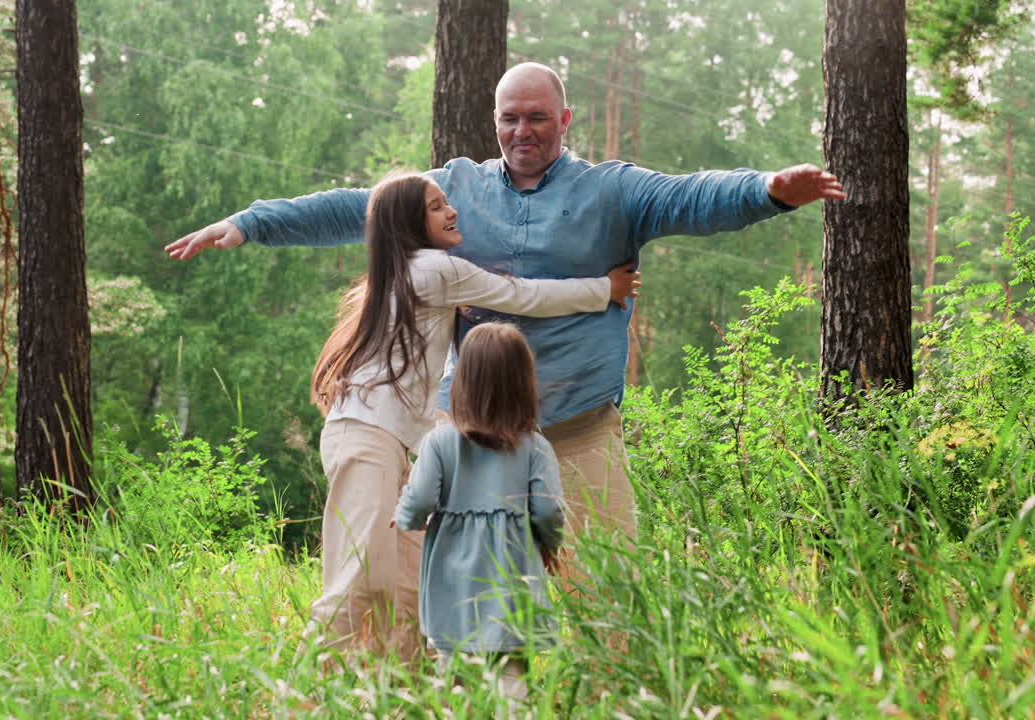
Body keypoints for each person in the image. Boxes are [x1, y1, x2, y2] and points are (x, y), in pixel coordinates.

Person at [166, 62, 844, 556]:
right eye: (509, 118)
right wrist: (252, 222)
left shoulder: (614, 191)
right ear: (495, 121)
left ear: (565, 120)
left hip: (577, 428)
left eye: (537, 117)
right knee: (453, 581)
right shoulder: (454, 188)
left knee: (603, 582)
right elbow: (357, 207)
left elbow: (691, 197)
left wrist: (768, 190)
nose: (523, 131)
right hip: (469, 433)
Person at [302, 171, 638, 661]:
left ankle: (401, 694)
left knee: (406, 579)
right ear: (411, 223)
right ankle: (302, 694)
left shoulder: (409, 272)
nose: (451, 211)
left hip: (383, 440)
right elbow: (523, 295)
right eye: (436, 207)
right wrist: (603, 290)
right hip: (368, 436)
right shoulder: (438, 270)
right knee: (361, 579)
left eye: (446, 202)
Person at [393, 321, 563, 702]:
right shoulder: (535, 448)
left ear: (462, 381)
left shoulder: (439, 442)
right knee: (510, 675)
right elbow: (549, 510)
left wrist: (405, 517)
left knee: (452, 674)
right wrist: (551, 545)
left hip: (451, 580)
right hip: (512, 575)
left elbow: (419, 499)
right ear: (524, 384)